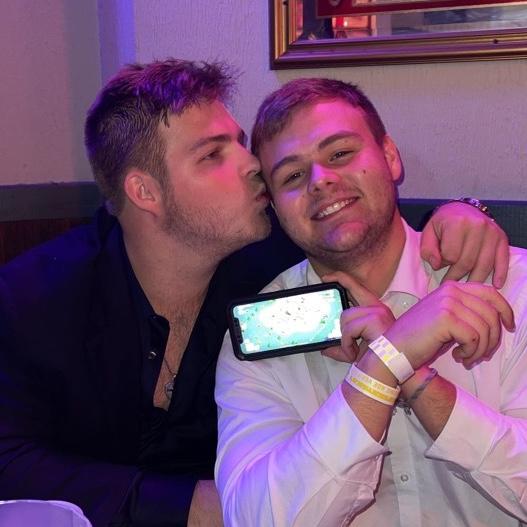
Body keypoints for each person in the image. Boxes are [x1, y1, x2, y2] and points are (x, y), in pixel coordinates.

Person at [0, 60, 507, 527]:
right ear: (145, 192)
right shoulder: (34, 300)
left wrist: (462, 214)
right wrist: (194, 507)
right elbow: (8, 462)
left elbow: (362, 226)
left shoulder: (267, 264)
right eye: (213, 154)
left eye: (241, 144)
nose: (251, 165)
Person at [214, 77, 527, 526]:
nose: (321, 181)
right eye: (293, 176)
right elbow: (256, 520)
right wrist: (385, 364)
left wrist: (414, 379)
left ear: (390, 156)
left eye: (340, 153)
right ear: (276, 207)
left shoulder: (510, 284)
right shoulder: (260, 336)